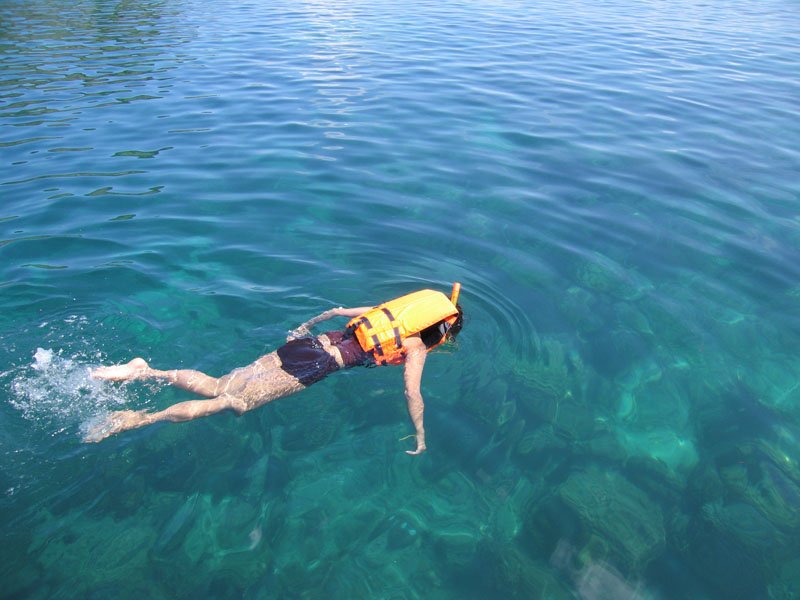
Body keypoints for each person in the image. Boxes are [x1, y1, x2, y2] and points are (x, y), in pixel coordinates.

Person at [85, 284, 464, 455]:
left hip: (306, 345)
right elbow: (412, 392)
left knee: (220, 385)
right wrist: (421, 434)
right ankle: (138, 419)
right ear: (438, 331)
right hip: (319, 364)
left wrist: (301, 329)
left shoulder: (380, 313)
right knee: (233, 402)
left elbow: (334, 311)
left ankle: (147, 371)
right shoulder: (415, 346)